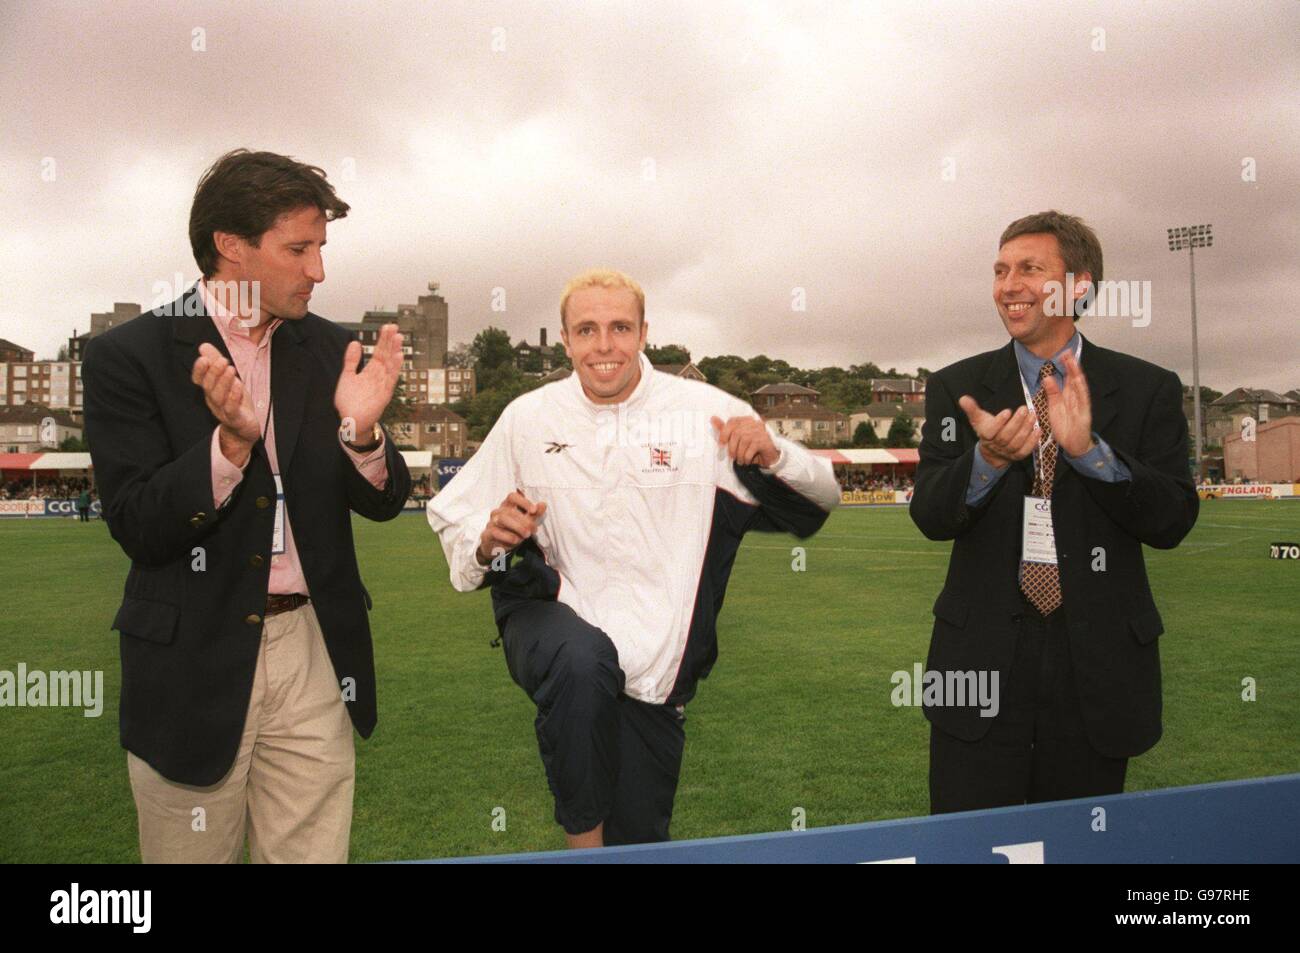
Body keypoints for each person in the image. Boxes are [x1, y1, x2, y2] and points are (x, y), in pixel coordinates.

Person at [427, 269, 840, 847]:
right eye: (586, 330)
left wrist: (775, 456)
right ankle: (584, 853)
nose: (604, 345)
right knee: (582, 660)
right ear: (566, 340)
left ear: (644, 331)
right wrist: (488, 540)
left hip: (654, 668)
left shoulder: (706, 414)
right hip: (548, 616)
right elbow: (454, 514)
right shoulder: (528, 417)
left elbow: (820, 503)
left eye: (619, 327)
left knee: (641, 840)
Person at [82, 149, 411, 863]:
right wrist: (228, 449)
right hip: (190, 661)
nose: (318, 271)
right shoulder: (127, 357)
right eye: (298, 248)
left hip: (314, 651)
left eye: (321, 248)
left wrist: (361, 432)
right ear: (230, 245)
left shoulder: (332, 349)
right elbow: (138, 522)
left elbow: (387, 501)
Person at [910, 211, 1199, 813]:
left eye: (1029, 269)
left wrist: (1092, 455)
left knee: (1081, 848)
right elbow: (931, 516)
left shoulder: (1147, 387)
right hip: (978, 665)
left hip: (1097, 666)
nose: (1008, 284)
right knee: (971, 847)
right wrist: (985, 461)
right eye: (1000, 270)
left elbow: (1173, 519)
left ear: (1079, 287)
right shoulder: (955, 387)